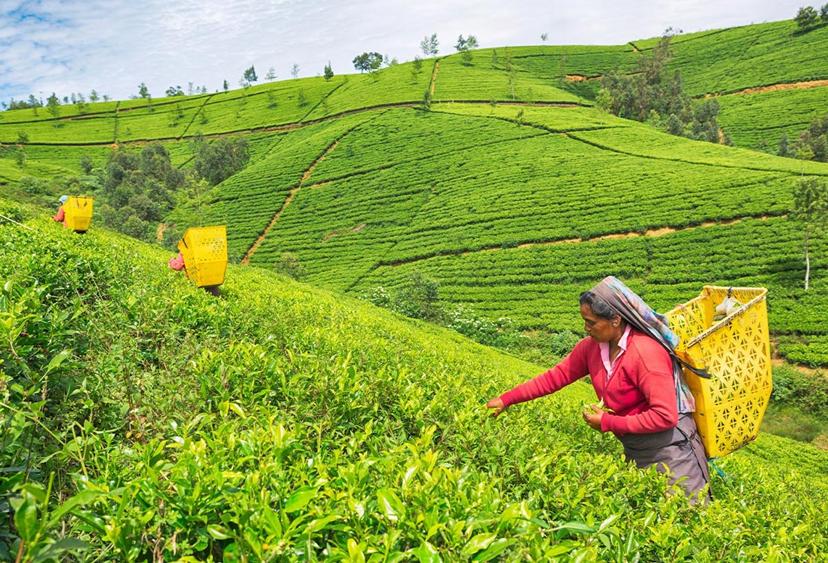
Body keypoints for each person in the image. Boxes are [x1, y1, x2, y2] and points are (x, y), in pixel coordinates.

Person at [486, 276, 711, 503]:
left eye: (591, 322)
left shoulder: (645, 353)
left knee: (686, 512)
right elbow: (555, 377)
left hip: (672, 450)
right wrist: (506, 400)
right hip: (635, 446)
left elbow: (665, 416)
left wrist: (607, 422)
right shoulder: (592, 348)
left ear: (615, 319)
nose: (586, 328)